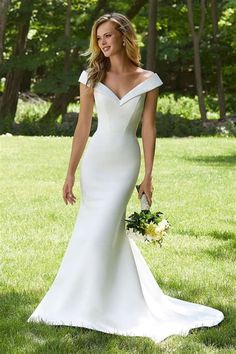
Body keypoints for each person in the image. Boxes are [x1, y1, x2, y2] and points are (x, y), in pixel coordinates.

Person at [27, 12, 224, 344]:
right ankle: (83, 299)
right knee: (93, 231)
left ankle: (104, 302)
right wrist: (70, 173)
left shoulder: (148, 79)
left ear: (124, 37)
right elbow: (82, 127)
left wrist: (148, 174)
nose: (103, 42)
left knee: (106, 228)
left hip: (124, 163)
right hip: (97, 162)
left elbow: (148, 127)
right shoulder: (89, 77)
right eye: (98, 37)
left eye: (108, 36)